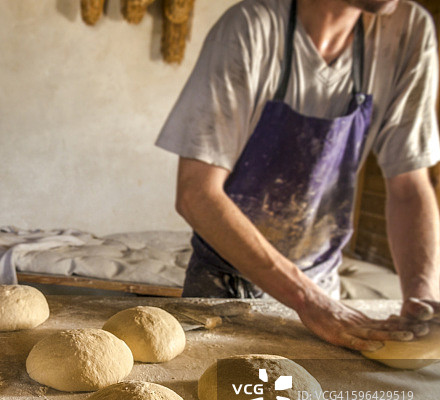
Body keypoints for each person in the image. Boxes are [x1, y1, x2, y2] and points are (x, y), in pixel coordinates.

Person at [156, 0, 440, 351]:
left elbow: (409, 187)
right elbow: (196, 194)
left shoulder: (409, 31)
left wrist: (422, 298)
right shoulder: (251, 29)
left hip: (323, 288)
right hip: (226, 286)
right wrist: (306, 299)